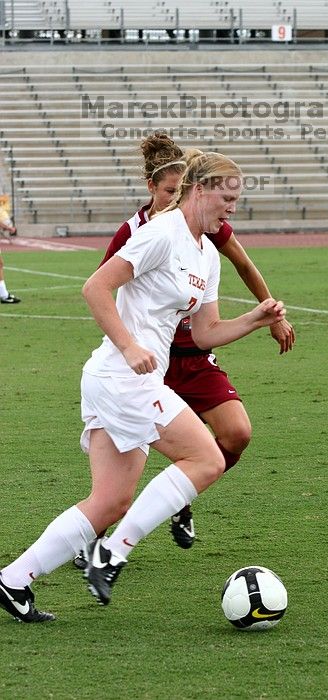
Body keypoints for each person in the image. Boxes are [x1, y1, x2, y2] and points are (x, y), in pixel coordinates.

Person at [0, 152, 286, 622]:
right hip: (120, 376)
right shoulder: (160, 233)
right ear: (200, 190)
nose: (232, 208)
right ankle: (111, 554)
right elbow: (96, 287)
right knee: (207, 458)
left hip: (125, 380)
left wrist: (255, 319)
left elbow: (206, 331)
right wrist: (130, 345)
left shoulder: (207, 254)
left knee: (110, 500)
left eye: (238, 200)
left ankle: (13, 581)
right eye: (227, 198)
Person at [72, 134, 294, 564]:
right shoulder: (142, 233)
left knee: (237, 434)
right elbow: (103, 289)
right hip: (146, 361)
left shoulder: (207, 231)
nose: (176, 197)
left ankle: (176, 496)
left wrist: (268, 315)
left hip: (191, 351)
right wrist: (127, 345)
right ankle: (100, 538)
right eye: (169, 191)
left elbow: (242, 266)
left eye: (181, 189)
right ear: (155, 190)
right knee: (119, 483)